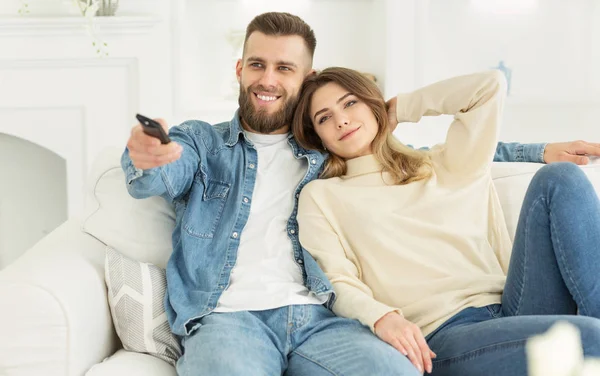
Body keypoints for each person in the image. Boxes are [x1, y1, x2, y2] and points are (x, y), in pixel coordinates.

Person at [122, 11, 600, 375]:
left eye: (284, 68)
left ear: (304, 79)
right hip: (241, 317)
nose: (268, 79)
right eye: (257, 65)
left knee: (558, 181)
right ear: (240, 69)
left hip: (333, 320)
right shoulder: (215, 148)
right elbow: (162, 169)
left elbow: (429, 146)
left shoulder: (348, 156)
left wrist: (536, 150)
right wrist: (147, 155)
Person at [292, 66, 600, 376]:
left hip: (515, 307)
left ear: (373, 104)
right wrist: (382, 317)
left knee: (559, 178)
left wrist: (402, 108)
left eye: (349, 103)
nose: (341, 120)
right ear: (317, 137)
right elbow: (337, 281)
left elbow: (489, 86)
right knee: (589, 339)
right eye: (324, 118)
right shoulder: (322, 196)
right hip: (444, 337)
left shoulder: (444, 163)